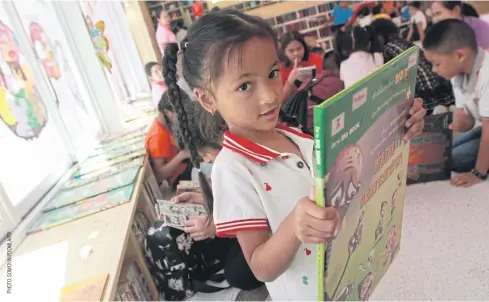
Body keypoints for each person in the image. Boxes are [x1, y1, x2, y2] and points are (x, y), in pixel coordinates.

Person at [161, 9, 426, 301]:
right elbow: (260, 268)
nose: (270, 95)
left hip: (348, 277)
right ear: (208, 98)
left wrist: (396, 126)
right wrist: (294, 226)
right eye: (245, 86)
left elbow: (355, 176)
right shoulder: (232, 168)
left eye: (273, 73)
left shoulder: (295, 136)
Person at [423, 19, 489, 187]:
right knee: (443, 153)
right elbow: (467, 122)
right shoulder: (458, 74)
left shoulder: (486, 75)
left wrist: (478, 173)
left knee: (456, 160)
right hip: (484, 128)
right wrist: (446, 127)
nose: (434, 70)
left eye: (437, 64)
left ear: (460, 55)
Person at [370, 18, 454, 113]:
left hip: (425, 98)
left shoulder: (386, 51)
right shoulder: (405, 43)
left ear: (379, 37)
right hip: (445, 91)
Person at [145, 90, 192, 189]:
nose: (184, 117)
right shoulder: (158, 136)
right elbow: (159, 175)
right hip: (180, 179)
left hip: (186, 167)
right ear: (167, 112)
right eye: (181, 113)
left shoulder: (165, 125)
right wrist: (182, 155)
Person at [279, 31, 323, 101]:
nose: (296, 53)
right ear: (284, 52)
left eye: (299, 49)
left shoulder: (316, 59)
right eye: (291, 51)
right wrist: (290, 81)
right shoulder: (280, 69)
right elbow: (283, 100)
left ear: (304, 47)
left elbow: (325, 83)